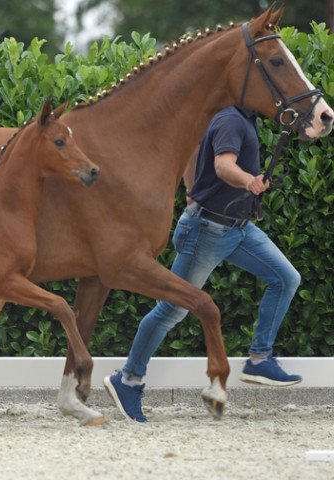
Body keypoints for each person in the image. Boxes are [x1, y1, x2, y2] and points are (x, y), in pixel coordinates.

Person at [104, 105, 302, 422]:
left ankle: (259, 358)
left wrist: (191, 189)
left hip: (239, 228)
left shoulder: (240, 118)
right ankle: (127, 379)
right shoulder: (231, 119)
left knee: (286, 278)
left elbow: (193, 145)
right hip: (207, 232)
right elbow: (224, 166)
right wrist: (248, 180)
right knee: (171, 309)